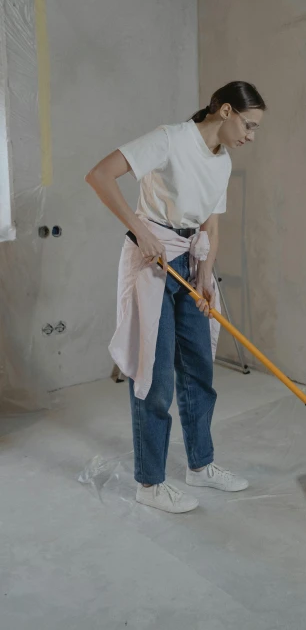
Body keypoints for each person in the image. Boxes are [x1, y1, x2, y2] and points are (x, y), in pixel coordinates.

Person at [86, 81, 266, 514]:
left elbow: (211, 226)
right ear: (225, 111)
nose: (251, 136)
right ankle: (149, 482)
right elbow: (100, 175)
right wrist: (142, 230)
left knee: (199, 370)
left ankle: (200, 465)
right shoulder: (170, 139)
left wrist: (206, 276)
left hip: (189, 263)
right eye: (248, 124)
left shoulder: (221, 162)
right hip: (152, 262)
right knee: (155, 376)